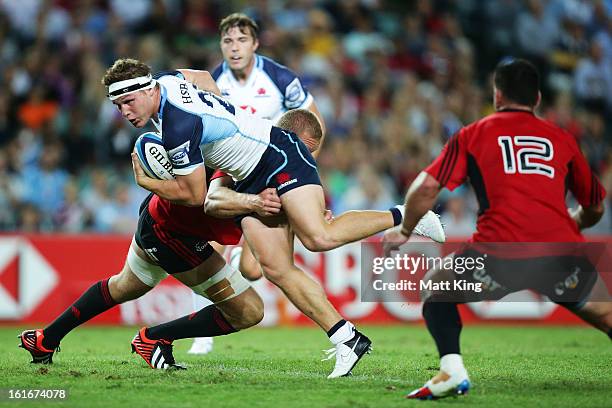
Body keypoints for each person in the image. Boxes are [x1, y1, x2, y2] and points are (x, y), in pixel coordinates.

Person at [104, 58, 445, 378]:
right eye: (118, 105)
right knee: (275, 269)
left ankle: (409, 215)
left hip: (274, 154)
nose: (124, 111)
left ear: (148, 90)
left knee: (318, 237)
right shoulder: (167, 80)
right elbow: (204, 78)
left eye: (129, 100)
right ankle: (348, 340)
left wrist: (147, 181)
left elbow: (193, 195)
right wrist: (226, 115)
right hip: (247, 172)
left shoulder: (177, 124)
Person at [17, 108, 317, 370]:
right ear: (285, 138)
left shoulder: (263, 154)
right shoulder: (247, 155)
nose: (308, 160)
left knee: (125, 285)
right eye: (306, 150)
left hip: (159, 219)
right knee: (249, 310)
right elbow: (215, 199)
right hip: (173, 232)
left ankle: (44, 339)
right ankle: (154, 338)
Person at [382, 59, 612, 399]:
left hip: (498, 254)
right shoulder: (562, 139)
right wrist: (572, 223)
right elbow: (594, 206)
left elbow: (427, 187)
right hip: (559, 253)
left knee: (435, 288)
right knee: (606, 314)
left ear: (497, 95)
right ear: (536, 98)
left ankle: (452, 371)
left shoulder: (474, 134)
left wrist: (405, 230)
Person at [183, 12, 327, 354]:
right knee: (207, 249)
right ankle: (202, 331)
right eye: (228, 41)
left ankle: (236, 268)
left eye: (241, 40)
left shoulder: (279, 77)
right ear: (220, 45)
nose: (234, 48)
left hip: (273, 175)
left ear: (255, 44)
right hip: (230, 173)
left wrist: (301, 173)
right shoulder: (215, 79)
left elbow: (314, 124)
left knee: (253, 268)